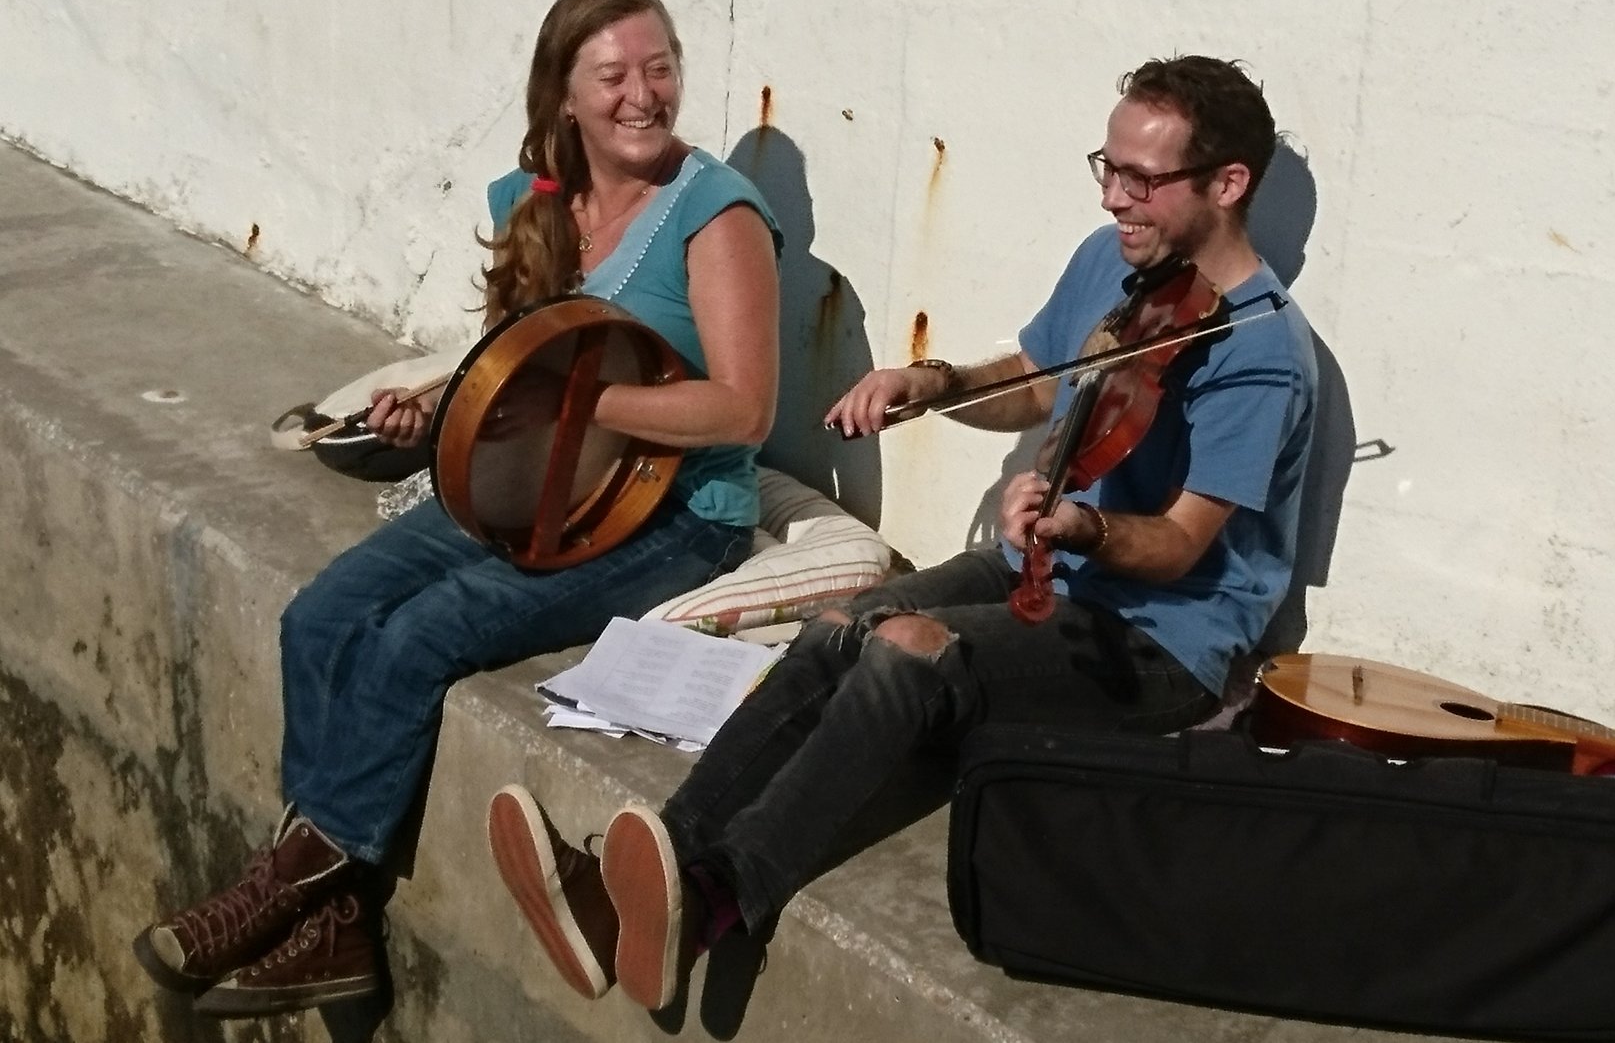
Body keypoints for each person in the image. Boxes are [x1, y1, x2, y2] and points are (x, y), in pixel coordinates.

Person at [486, 55, 1317, 1011]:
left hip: (1162, 643)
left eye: (1142, 180)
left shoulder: (1262, 355)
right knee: (840, 622)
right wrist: (933, 385)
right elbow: (1043, 382)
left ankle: (719, 898)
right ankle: (645, 881)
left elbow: (1178, 547)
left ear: (1227, 184)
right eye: (1107, 168)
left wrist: (1079, 523)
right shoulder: (1123, 260)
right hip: (1035, 568)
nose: (1113, 200)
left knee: (907, 651)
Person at [132, 0, 782, 1018]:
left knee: (419, 636)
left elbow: (744, 409)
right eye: (612, 74)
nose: (642, 93)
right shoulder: (530, 204)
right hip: (534, 484)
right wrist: (435, 411)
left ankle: (284, 887)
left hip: (666, 515)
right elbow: (509, 364)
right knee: (321, 616)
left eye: (659, 66)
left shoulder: (716, 214)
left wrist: (587, 404)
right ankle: (336, 929)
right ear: (563, 94)